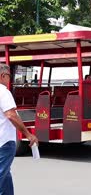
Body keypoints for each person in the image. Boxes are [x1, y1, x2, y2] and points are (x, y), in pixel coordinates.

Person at [0, 64, 39, 194]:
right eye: (9, 76)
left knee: (5, 176)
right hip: (4, 142)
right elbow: (11, 115)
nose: (9, 79)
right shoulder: (3, 92)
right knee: (1, 175)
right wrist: (28, 134)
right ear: (3, 76)